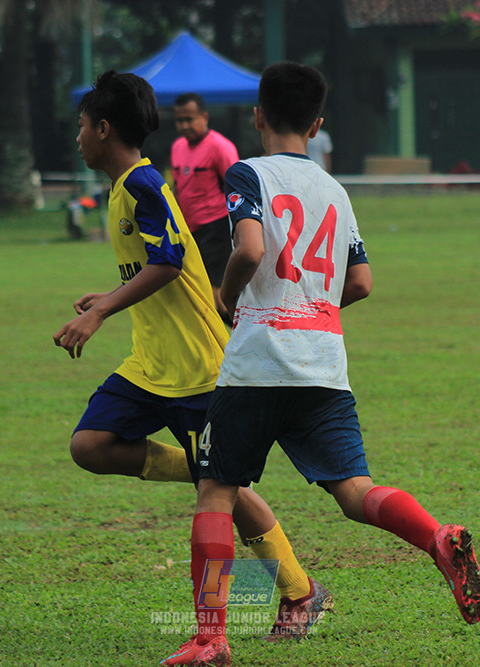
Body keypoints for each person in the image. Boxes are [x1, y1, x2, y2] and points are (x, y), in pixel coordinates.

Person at [163, 62, 480, 667]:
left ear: (257, 116)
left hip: (257, 364)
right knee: (355, 491)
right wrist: (312, 306)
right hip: (323, 365)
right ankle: (435, 536)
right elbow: (361, 282)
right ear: (317, 124)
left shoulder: (246, 172)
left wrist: (229, 297)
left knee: (215, 491)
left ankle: (210, 637)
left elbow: (251, 247)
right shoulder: (336, 190)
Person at [53, 71, 329, 643]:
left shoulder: (142, 185)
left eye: (81, 127)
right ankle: (206, 474)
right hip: (152, 363)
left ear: (104, 129)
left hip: (199, 367)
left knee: (229, 493)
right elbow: (155, 265)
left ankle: (301, 591)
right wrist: (108, 296)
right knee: (91, 445)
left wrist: (100, 312)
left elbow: (172, 259)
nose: (77, 137)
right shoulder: (124, 187)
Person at [171, 93, 240, 324]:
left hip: (216, 227)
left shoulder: (221, 147)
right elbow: (178, 187)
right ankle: (232, 334)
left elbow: (236, 190)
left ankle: (239, 334)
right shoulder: (178, 147)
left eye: (189, 119)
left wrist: (237, 228)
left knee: (212, 293)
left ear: (205, 117)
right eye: (180, 120)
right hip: (189, 231)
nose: (184, 125)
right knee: (198, 292)